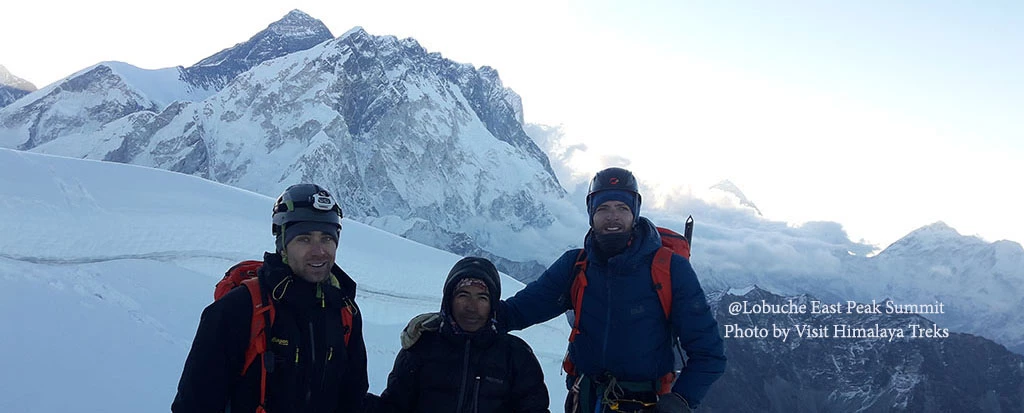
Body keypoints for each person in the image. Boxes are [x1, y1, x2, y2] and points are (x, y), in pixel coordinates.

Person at [500, 167, 727, 412]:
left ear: (635, 214)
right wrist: (463, 313)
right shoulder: (575, 266)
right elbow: (520, 311)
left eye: (622, 208)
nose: (613, 217)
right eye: (603, 209)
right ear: (591, 214)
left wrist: (681, 399)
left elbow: (709, 352)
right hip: (585, 399)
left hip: (645, 404)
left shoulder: (670, 270)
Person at [172, 183, 368, 413]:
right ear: (283, 245)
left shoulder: (344, 311)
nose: (319, 251)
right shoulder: (239, 308)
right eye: (304, 239)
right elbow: (195, 404)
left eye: (326, 238)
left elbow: (352, 398)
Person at [377, 257, 550, 413]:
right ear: (449, 301)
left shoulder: (516, 356)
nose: (472, 307)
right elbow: (394, 406)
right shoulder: (421, 346)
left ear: (493, 305)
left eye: (482, 298)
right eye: (463, 295)